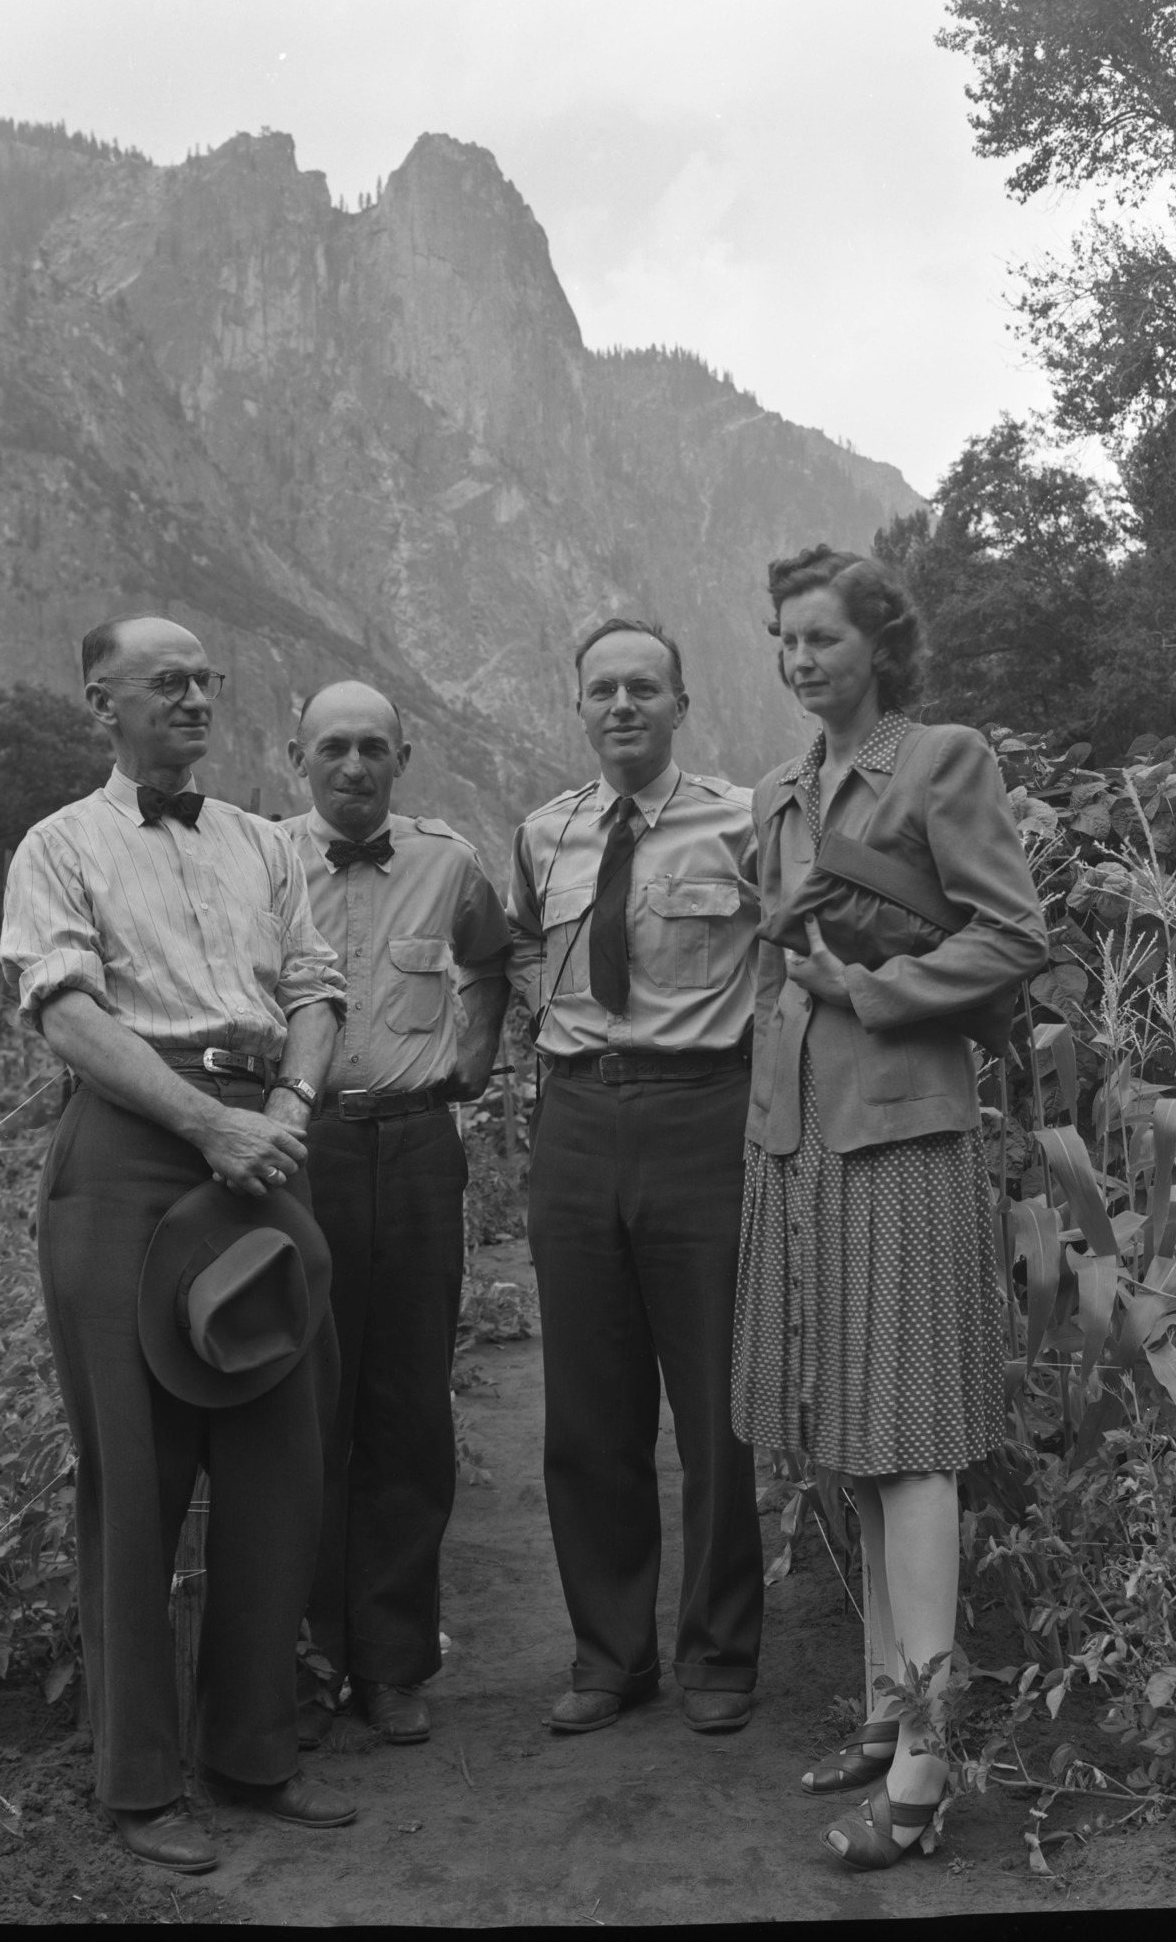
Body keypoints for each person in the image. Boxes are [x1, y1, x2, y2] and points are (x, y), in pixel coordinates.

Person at [0, 616, 357, 1875]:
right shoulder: (59, 846)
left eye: (208, 678)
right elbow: (68, 1009)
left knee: (278, 1451)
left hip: (260, 1144)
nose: (196, 696)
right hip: (133, 1152)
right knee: (134, 1472)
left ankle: (254, 1752)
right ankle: (138, 1782)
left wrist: (287, 1112)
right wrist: (207, 1120)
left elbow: (315, 990)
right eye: (168, 681)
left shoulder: (265, 842)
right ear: (104, 700)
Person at [730, 547, 1047, 1870]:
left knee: (909, 1440)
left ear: (878, 642)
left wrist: (873, 989)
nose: (797, 660)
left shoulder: (940, 761)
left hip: (901, 1137)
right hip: (796, 1140)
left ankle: (923, 1764)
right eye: (781, 641)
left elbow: (1011, 937)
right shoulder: (778, 790)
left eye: (818, 638)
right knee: (849, 1437)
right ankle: (879, 1711)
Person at [505, 617, 765, 1736]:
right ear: (579, 706)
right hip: (574, 1119)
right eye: (602, 688)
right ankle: (611, 1653)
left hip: (703, 1114)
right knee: (589, 1403)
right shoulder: (541, 832)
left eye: (643, 688)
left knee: (715, 1404)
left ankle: (718, 1650)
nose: (622, 705)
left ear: (679, 704)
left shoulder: (747, 822)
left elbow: (795, 947)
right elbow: (518, 947)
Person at [281, 680, 511, 1747]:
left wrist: (472, 1059)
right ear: (299, 755)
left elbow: (491, 957)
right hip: (304, 1147)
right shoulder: (262, 858)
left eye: (375, 747)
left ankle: (394, 1660)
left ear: (402, 756)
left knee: (408, 1407)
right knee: (301, 1396)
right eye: (335, 746)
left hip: (419, 1148)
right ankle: (310, 1648)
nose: (355, 766)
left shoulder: (448, 861)